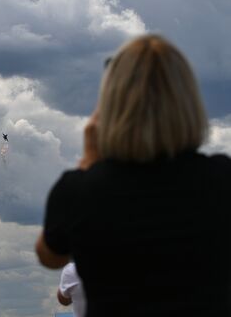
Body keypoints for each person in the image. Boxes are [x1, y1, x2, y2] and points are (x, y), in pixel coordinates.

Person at [36, 35, 231, 316]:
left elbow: (50, 255)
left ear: (110, 108)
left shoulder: (80, 190)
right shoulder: (221, 180)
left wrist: (88, 162)